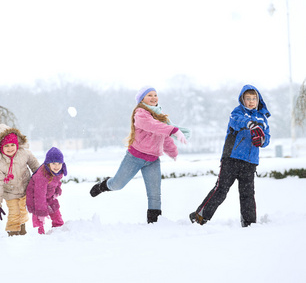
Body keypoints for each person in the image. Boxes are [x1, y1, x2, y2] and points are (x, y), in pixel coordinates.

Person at [90, 86, 189, 223]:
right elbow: (152, 126)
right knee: (117, 185)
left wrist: (173, 152)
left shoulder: (160, 116)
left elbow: (163, 135)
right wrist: (174, 130)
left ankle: (154, 224)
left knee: (155, 195)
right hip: (134, 158)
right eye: (149, 95)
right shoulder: (140, 113)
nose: (154, 98)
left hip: (153, 160)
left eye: (155, 95)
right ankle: (104, 185)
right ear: (142, 99)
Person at [189, 84, 271, 227]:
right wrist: (250, 124)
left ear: (258, 100)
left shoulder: (262, 118)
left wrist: (263, 140)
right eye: (248, 98)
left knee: (248, 194)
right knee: (221, 189)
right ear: (242, 99)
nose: (251, 101)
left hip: (250, 162)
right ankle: (200, 217)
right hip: (231, 159)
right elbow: (237, 121)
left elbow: (267, 138)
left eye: (254, 98)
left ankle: (249, 223)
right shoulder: (237, 112)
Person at [0, 124, 40, 236]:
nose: (10, 148)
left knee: (23, 212)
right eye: (6, 146)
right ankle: (13, 233)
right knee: (14, 213)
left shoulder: (24, 154)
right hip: (10, 193)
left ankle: (22, 230)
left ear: (17, 144)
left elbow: (35, 167)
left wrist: (40, 180)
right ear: (0, 147)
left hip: (25, 189)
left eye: (12, 144)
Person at [26, 147, 67, 234]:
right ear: (48, 164)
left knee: (55, 210)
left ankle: (58, 228)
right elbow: (39, 195)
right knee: (39, 217)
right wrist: (41, 212)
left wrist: (57, 191)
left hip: (49, 196)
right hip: (36, 199)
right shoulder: (42, 175)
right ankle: (39, 233)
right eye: (53, 163)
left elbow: (57, 182)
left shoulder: (58, 172)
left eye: (59, 163)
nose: (57, 166)